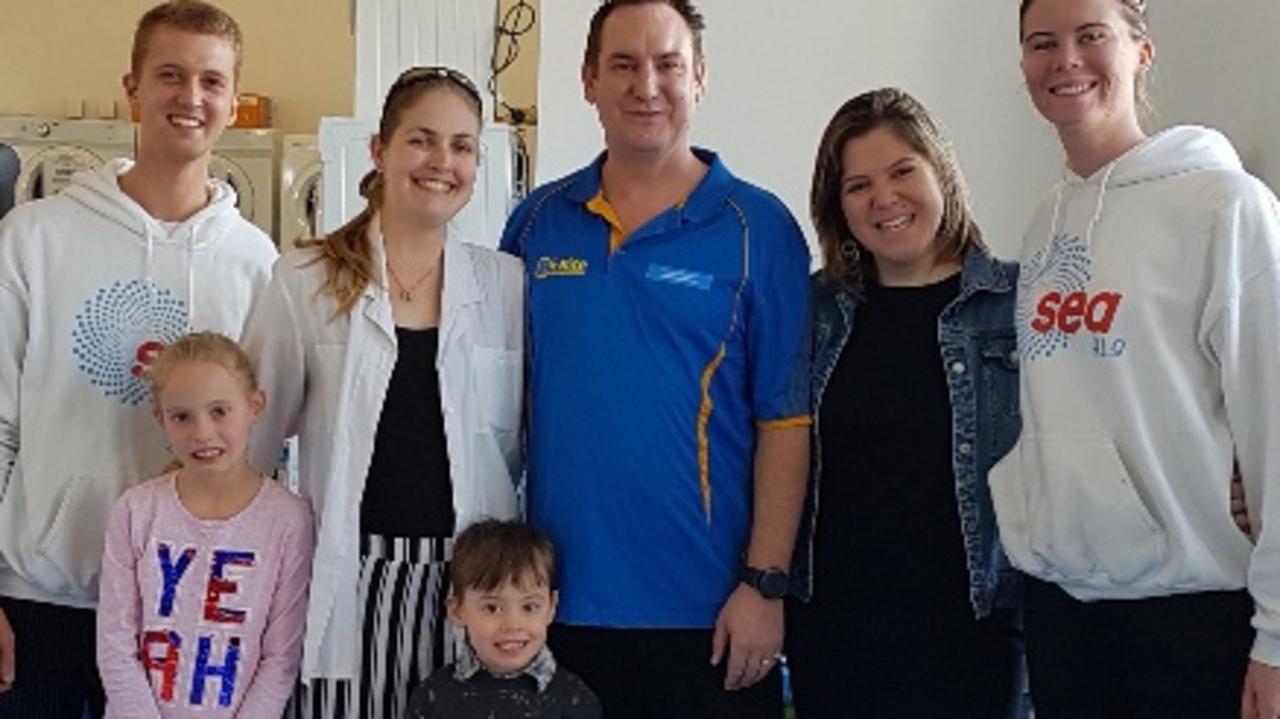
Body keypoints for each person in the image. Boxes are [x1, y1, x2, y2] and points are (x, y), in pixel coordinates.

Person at [498, 1, 811, 716]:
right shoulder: (537, 223)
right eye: (624, 64)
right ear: (588, 80)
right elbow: (498, 405)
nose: (647, 85)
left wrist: (765, 585)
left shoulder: (757, 228)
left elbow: (786, 420)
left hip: (709, 615)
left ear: (698, 78)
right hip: (553, 608)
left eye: (668, 64)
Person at [990, 0, 1280, 716]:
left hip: (1191, 612)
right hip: (1064, 609)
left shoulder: (1225, 207)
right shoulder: (1044, 220)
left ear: (1141, 52)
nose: (1066, 61)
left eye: (1092, 37)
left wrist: (1276, 637)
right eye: (1042, 42)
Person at [0, 2, 277, 716]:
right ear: (132, 86)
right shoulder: (35, 239)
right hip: (43, 599)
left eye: (212, 81)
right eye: (170, 76)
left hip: (187, 605)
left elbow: (267, 452)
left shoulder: (255, 263)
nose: (191, 98)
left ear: (233, 97)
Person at [243, 65, 523, 719]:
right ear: (380, 149)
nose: (442, 162)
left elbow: (526, 442)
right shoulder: (303, 279)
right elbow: (248, 447)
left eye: (461, 147)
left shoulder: (507, 286)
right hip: (347, 580)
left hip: (471, 585)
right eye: (422, 140)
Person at [786, 87, 1025, 718]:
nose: (883, 199)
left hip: (977, 637)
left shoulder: (1017, 306)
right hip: (836, 638)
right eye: (857, 185)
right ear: (836, 207)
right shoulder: (812, 313)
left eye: (902, 172)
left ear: (940, 171)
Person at [96, 332, 313, 718]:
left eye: (219, 411)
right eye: (182, 417)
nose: (202, 432)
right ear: (160, 419)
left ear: (255, 405)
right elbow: (115, 643)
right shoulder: (136, 510)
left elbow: (280, 657)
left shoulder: (288, 520)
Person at [405, 520, 600, 719]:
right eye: (492, 608)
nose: (513, 625)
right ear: (457, 610)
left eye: (529, 607)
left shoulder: (575, 700)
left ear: (551, 607)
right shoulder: (434, 696)